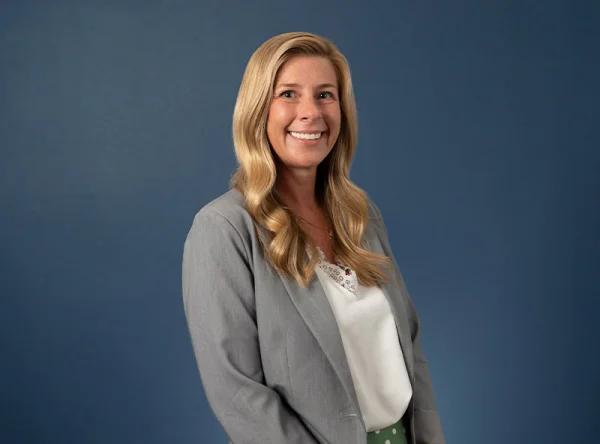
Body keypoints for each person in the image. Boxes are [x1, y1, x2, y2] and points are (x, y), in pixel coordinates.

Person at [182, 31, 446, 444]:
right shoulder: (224, 229)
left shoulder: (361, 216)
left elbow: (410, 348)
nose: (311, 113)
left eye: (326, 95)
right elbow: (237, 391)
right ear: (257, 110)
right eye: (288, 94)